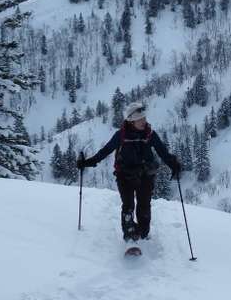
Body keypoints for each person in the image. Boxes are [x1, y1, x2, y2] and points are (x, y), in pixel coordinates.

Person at [77, 101, 181, 241]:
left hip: (145, 175)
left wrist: (173, 164)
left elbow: (162, 151)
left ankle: (143, 233)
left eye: (144, 118)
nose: (144, 121)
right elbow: (105, 151)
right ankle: (130, 234)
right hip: (124, 175)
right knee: (128, 205)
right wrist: (88, 162)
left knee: (144, 205)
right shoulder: (121, 135)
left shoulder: (150, 134)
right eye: (140, 119)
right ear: (131, 121)